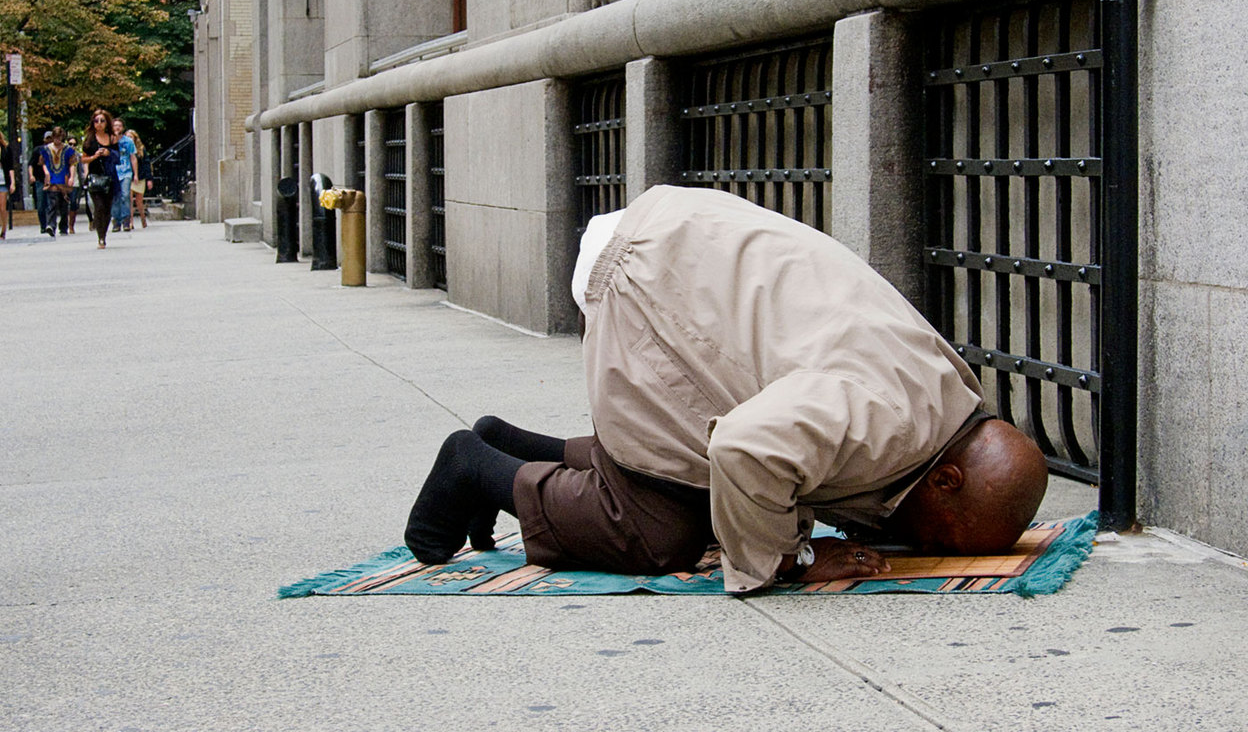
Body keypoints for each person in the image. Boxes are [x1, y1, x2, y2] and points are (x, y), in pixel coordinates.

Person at [404, 185, 1049, 593]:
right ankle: (474, 467)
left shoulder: (946, 394)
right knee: (658, 530)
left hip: (680, 246)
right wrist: (788, 562)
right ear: (947, 481)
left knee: (691, 480)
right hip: (646, 281)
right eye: (940, 540)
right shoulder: (881, 423)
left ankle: (507, 444)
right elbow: (742, 445)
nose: (921, 548)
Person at [81, 110, 119, 249]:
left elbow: (118, 157)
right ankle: (100, 237)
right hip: (95, 177)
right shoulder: (90, 139)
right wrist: (94, 156)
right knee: (99, 206)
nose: (99, 124)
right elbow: (83, 158)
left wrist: (109, 153)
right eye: (96, 121)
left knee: (108, 208)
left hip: (109, 177)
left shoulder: (112, 138)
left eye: (102, 121)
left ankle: (104, 234)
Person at [40, 127, 77, 237]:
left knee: (63, 204)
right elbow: (43, 163)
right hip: (51, 178)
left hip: (63, 178)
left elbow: (72, 164)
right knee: (52, 203)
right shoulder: (46, 149)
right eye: (55, 138)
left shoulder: (68, 150)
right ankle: (51, 225)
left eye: (59, 138)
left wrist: (71, 177)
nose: (57, 141)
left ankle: (64, 227)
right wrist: (46, 172)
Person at [111, 118, 137, 232]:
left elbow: (133, 157)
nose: (117, 128)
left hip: (126, 171)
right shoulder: (110, 141)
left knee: (125, 195)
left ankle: (126, 220)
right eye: (115, 125)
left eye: (119, 126)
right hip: (114, 172)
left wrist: (135, 174)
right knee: (115, 197)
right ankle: (116, 221)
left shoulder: (128, 141)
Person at [28, 131, 52, 234]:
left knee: (51, 204)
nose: (49, 140)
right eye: (47, 138)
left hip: (53, 181)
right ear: (44, 139)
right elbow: (31, 164)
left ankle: (50, 225)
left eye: (51, 138)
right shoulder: (38, 150)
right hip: (40, 180)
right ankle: (43, 225)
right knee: (41, 204)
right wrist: (31, 175)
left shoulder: (56, 150)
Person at [126, 130, 151, 228]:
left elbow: (146, 164)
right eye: (127, 137)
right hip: (129, 176)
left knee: (139, 201)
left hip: (140, 177)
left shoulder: (141, 149)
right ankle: (130, 221)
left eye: (131, 137)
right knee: (129, 200)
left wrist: (149, 179)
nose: (129, 139)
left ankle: (142, 218)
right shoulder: (124, 149)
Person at [66, 135, 85, 235]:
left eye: (74, 144)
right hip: (64, 182)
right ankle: (64, 225)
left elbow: (81, 169)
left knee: (74, 203)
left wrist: (84, 178)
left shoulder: (78, 156)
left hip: (76, 182)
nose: (72, 146)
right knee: (63, 204)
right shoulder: (63, 155)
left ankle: (71, 225)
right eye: (70, 144)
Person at [0, 130, 14, 239]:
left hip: (2, 180)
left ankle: (3, 229)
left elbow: (10, 167)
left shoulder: (5, 149)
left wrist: (12, 182)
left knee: (2, 207)